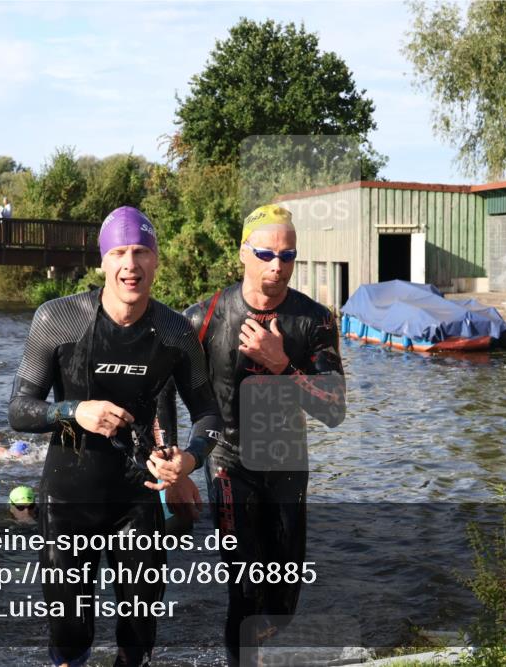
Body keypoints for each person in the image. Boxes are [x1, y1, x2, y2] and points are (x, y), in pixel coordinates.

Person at [8, 205, 223, 667]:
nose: (132, 264)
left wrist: (189, 460)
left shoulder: (174, 332)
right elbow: (19, 411)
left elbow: (209, 413)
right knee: (68, 631)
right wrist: (73, 410)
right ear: (103, 261)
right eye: (121, 252)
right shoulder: (58, 319)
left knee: (139, 628)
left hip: (136, 497)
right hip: (68, 498)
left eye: (142, 252)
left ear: (156, 260)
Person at [158, 204, 347, 667]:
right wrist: (173, 463)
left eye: (288, 256)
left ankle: (257, 645)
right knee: (243, 583)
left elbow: (334, 410)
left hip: (286, 461)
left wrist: (283, 364)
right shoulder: (204, 317)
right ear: (243, 252)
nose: (277, 266)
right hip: (227, 459)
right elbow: (161, 384)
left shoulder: (314, 320)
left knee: (283, 601)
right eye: (266, 254)